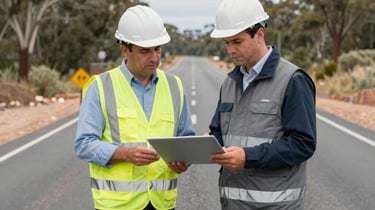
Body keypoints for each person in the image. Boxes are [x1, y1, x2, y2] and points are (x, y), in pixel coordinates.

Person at [74, 5, 195, 210]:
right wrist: (125, 154)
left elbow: (186, 138)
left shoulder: (174, 85)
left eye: (157, 49)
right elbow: (84, 144)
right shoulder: (101, 86)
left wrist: (184, 161)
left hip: (162, 204)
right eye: (145, 51)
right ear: (125, 49)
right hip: (116, 205)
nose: (154, 57)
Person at [208, 0, 317, 209]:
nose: (230, 50)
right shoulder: (230, 82)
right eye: (227, 43)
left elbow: (303, 144)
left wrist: (248, 157)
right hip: (233, 204)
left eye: (237, 42)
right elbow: (219, 131)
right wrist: (202, 146)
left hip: (276, 205)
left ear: (259, 34)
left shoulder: (293, 80)